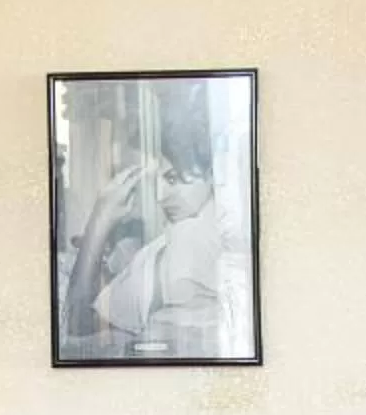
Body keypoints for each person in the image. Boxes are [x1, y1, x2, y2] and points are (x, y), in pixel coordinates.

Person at [61, 92, 242, 359]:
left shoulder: (194, 234)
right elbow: (78, 328)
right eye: (156, 181)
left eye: (172, 178)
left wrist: (98, 226)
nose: (159, 197)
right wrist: (99, 223)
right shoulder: (159, 250)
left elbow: (77, 329)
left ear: (214, 173)